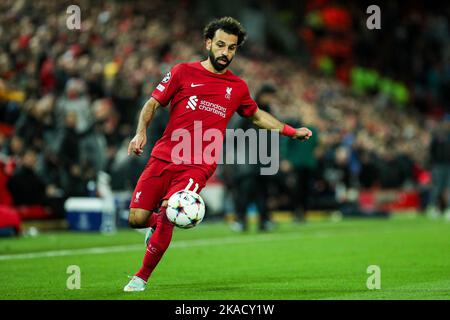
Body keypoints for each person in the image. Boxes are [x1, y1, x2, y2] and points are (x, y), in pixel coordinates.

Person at [123, 17, 312, 292]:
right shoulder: (181, 72)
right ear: (208, 43)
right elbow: (152, 103)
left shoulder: (237, 87)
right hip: (163, 156)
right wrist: (140, 132)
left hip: (198, 164)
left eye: (232, 48)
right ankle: (155, 226)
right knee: (136, 220)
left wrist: (291, 131)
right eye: (221, 45)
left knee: (170, 211)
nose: (226, 53)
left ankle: (140, 278)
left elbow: (257, 116)